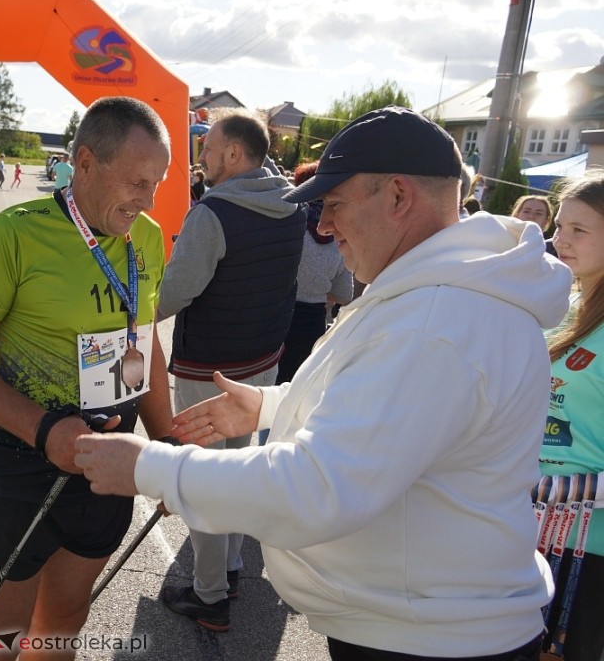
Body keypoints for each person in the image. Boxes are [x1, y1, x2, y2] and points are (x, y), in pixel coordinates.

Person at [75, 106, 574, 661]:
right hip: (420, 619)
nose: (325, 226)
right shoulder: (438, 296)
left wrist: (148, 467)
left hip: (425, 637)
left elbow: (319, 489)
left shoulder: (436, 322)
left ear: (398, 197)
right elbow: (374, 401)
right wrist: (269, 405)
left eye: (333, 205)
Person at [0, 97, 175, 660]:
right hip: (22, 460)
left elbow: (146, 343)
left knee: (64, 619)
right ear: (85, 164)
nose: (149, 199)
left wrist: (167, 449)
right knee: (2, 635)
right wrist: (46, 432)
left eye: (157, 182)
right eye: (137, 182)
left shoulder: (147, 238)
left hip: (106, 460)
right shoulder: (13, 236)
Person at [155, 108, 305, 631]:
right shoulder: (293, 207)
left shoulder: (213, 213)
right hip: (263, 360)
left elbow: (174, 293)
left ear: (234, 154)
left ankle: (210, 593)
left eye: (208, 147)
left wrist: (122, 314)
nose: (202, 156)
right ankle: (233, 568)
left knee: (201, 479)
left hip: (208, 368)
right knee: (241, 469)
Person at [538, 170, 604, 661]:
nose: (560, 240)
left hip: (589, 551)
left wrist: (553, 490)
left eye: (579, 230)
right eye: (560, 226)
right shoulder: (563, 302)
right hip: (522, 532)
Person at [273, 161, 354, 388]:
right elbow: (344, 293)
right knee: (300, 387)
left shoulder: (287, 229)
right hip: (313, 322)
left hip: (277, 317)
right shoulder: (338, 237)